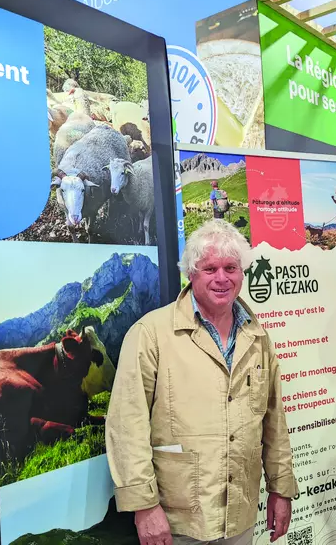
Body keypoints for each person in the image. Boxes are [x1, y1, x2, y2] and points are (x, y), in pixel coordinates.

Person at [106, 219, 298, 545]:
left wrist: (281, 488)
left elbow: (273, 421)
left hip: (240, 514)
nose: (222, 278)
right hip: (178, 520)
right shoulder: (150, 334)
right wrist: (144, 505)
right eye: (209, 269)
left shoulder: (257, 336)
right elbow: (127, 425)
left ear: (242, 273)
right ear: (190, 273)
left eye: (230, 268)